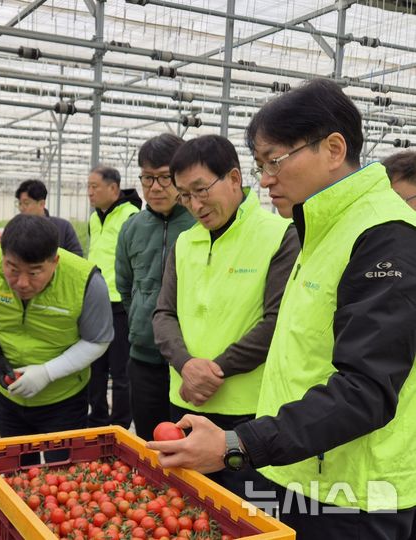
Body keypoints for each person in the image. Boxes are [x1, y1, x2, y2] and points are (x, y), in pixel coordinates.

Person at [147, 79, 416, 539]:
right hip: (298, 470)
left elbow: (366, 389)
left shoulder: (384, 235)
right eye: (260, 165)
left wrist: (237, 443)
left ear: (333, 149)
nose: (265, 179)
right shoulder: (322, 227)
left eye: (274, 161)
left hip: (353, 493)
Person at [152, 134, 299, 499]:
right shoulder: (186, 242)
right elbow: (163, 313)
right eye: (185, 195)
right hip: (185, 403)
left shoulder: (280, 235)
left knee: (242, 512)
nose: (195, 205)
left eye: (201, 190)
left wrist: (214, 371)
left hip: (247, 414)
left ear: (234, 178)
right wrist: (186, 366)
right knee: (185, 508)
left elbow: (276, 322)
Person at [0, 214, 113, 465]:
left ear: (54, 261)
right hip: (8, 396)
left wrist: (47, 372)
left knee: (62, 477)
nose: (22, 283)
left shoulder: (85, 281)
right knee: (18, 474)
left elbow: (97, 341)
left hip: (63, 401)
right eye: (12, 269)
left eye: (35, 273)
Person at [115, 133, 195, 440]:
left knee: (187, 444)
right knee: (150, 442)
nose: (156, 187)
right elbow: (125, 285)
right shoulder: (132, 227)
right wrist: (140, 315)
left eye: (164, 177)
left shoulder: (198, 222)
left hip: (188, 360)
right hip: (144, 357)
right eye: (147, 178)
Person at [85, 165, 141, 429]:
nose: (89, 192)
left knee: (120, 370)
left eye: (94, 187)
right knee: (95, 366)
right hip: (95, 303)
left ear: (114, 189)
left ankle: (118, 424)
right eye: (88, 187)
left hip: (120, 305)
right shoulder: (94, 219)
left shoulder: (132, 216)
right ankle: (96, 418)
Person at [15, 179, 83, 256]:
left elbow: (77, 256)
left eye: (26, 203)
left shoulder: (63, 227)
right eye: (20, 203)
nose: (21, 208)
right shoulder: (16, 228)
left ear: (42, 204)